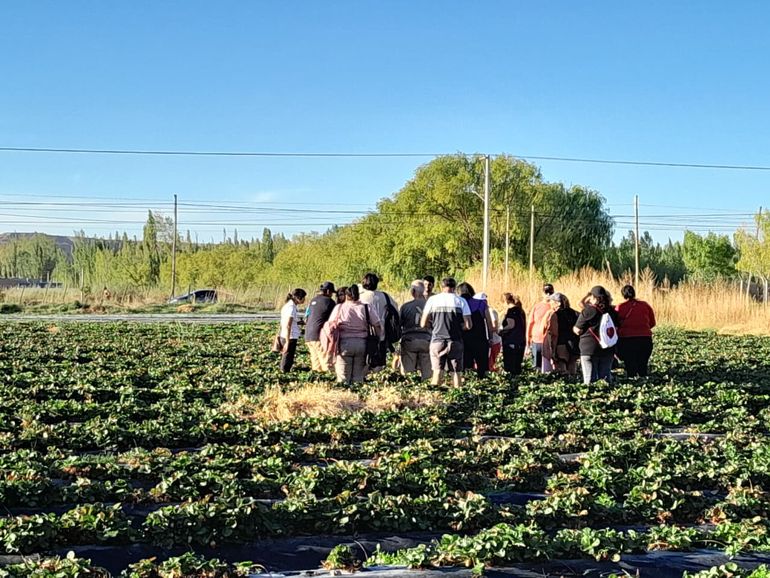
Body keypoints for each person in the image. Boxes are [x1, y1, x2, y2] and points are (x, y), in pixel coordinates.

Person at [420, 277, 472, 387]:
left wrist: (432, 327)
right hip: (455, 341)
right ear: (454, 288)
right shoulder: (461, 301)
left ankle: (435, 399)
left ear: (441, 287)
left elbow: (423, 323)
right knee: (456, 372)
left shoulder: (433, 300)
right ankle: (459, 398)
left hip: (437, 340)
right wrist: (459, 327)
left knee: (437, 372)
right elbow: (468, 325)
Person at [327, 285, 382, 384]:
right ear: (358, 295)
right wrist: (378, 338)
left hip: (344, 344)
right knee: (358, 376)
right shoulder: (366, 307)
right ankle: (357, 395)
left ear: (346, 296)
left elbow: (330, 325)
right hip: (362, 344)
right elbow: (377, 324)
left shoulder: (339, 307)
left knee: (343, 376)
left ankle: (345, 395)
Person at [573, 285, 620, 384]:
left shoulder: (588, 310)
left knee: (589, 379)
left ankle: (592, 397)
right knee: (605, 378)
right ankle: (607, 397)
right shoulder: (611, 311)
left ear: (593, 297)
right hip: (607, 349)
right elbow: (615, 329)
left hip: (589, 349)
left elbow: (577, 330)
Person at [359, 272, 398, 370]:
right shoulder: (385, 296)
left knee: (364, 365)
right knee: (379, 365)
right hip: (382, 335)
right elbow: (396, 309)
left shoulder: (360, 297)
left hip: (364, 335)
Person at [616, 284, 656, 377]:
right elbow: (652, 323)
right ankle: (645, 384)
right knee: (643, 366)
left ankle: (633, 385)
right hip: (645, 339)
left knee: (630, 366)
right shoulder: (645, 305)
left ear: (623, 295)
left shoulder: (620, 307)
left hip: (627, 340)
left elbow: (616, 324)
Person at [456, 283, 494, 378]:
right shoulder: (481, 303)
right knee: (482, 367)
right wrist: (490, 337)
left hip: (464, 340)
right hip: (480, 340)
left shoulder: (458, 304)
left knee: (465, 367)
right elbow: (489, 322)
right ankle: (483, 384)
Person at [399, 280, 431, 380]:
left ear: (413, 291)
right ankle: (427, 389)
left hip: (409, 340)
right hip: (427, 340)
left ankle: (409, 388)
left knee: (407, 372)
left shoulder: (405, 307)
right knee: (427, 371)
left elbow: (399, 324)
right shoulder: (430, 305)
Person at [543, 293, 579, 376]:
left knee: (562, 368)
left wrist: (553, 350)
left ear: (558, 303)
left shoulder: (555, 315)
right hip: (574, 344)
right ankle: (573, 384)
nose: (550, 304)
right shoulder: (575, 313)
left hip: (561, 345)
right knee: (572, 366)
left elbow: (554, 334)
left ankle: (565, 384)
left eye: (551, 302)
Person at [304, 282, 337, 372]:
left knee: (316, 363)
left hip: (308, 335)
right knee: (325, 360)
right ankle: (329, 380)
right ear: (327, 291)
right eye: (331, 293)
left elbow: (307, 316)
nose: (331, 295)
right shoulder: (329, 302)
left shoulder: (313, 300)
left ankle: (318, 379)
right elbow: (334, 319)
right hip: (318, 335)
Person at [527, 283, 555, 372]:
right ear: (542, 293)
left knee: (550, 365)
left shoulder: (555, 306)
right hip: (537, 339)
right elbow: (530, 323)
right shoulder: (537, 306)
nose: (548, 295)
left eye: (550, 292)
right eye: (546, 292)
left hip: (550, 340)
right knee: (537, 365)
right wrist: (528, 339)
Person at [279, 288, 307, 373]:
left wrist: (300, 322)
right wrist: (287, 342)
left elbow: (290, 322)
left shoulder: (288, 305)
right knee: (287, 358)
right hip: (290, 336)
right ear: (298, 298)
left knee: (288, 357)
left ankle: (284, 372)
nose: (304, 300)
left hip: (285, 334)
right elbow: (288, 325)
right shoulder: (291, 308)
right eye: (303, 298)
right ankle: (284, 374)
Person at [499, 293, 526, 376]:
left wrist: (501, 331)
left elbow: (511, 324)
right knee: (517, 365)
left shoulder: (511, 311)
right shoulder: (521, 311)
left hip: (511, 341)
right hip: (520, 341)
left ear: (505, 302)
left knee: (510, 365)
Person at [475, 292, 502, 372]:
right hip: (488, 340)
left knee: (491, 364)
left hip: (493, 341)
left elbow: (494, 326)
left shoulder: (491, 311)